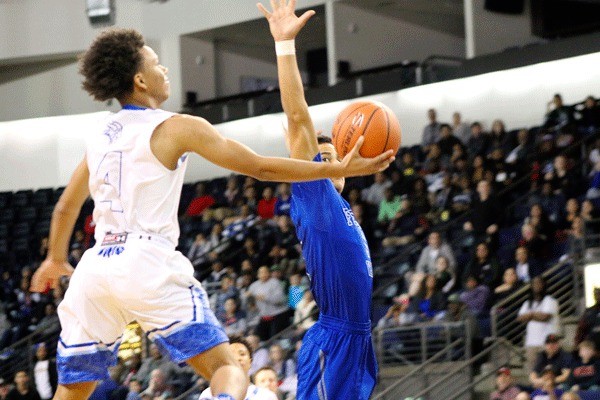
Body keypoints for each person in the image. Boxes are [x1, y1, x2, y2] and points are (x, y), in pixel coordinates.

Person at [29, 26, 391, 400]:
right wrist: (338, 169)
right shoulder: (177, 126)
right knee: (227, 369)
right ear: (140, 79)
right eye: (156, 64)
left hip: (95, 267)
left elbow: (64, 207)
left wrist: (55, 259)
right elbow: (261, 168)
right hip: (144, 259)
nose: (165, 70)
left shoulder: (99, 134)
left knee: (72, 390)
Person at [257, 1, 393, 398]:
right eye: (324, 160)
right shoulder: (316, 197)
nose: (334, 166)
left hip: (356, 336)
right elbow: (299, 119)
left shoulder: (344, 208)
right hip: (335, 337)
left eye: (335, 159)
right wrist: (285, 46)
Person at [199, 336, 278, 400]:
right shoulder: (209, 395)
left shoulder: (267, 396)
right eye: (232, 354)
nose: (238, 358)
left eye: (242, 354)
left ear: (250, 362)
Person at [518, 277, 561, 375]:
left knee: (548, 372)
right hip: (531, 343)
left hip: (547, 343)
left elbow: (545, 317)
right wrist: (535, 314)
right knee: (533, 373)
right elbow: (520, 318)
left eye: (539, 283)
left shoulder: (550, 300)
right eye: (534, 283)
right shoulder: (528, 303)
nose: (537, 286)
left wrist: (529, 315)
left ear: (544, 285)